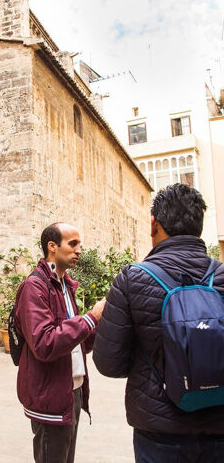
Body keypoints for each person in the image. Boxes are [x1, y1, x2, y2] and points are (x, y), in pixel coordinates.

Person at [93, 184, 224, 462]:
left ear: (154, 224)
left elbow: (109, 363)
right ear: (199, 225)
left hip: (159, 431)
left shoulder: (133, 278)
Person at [15, 222, 106, 463]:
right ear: (52, 247)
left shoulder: (65, 285)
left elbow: (76, 343)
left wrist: (98, 324)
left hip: (71, 389)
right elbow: (44, 342)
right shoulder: (34, 286)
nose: (78, 250)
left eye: (80, 245)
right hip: (49, 396)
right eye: (73, 244)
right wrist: (89, 318)